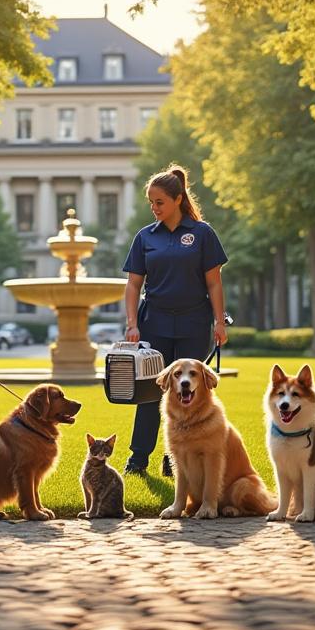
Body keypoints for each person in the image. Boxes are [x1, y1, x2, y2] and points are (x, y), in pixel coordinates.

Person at [121, 164, 229, 476]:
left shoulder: (202, 234)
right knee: (150, 392)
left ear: (177, 199)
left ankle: (175, 459)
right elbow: (132, 284)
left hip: (194, 323)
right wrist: (132, 323)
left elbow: (214, 283)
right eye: (151, 203)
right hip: (154, 322)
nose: (154, 208)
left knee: (190, 393)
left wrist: (219, 322)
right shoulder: (145, 238)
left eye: (159, 202)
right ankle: (138, 459)